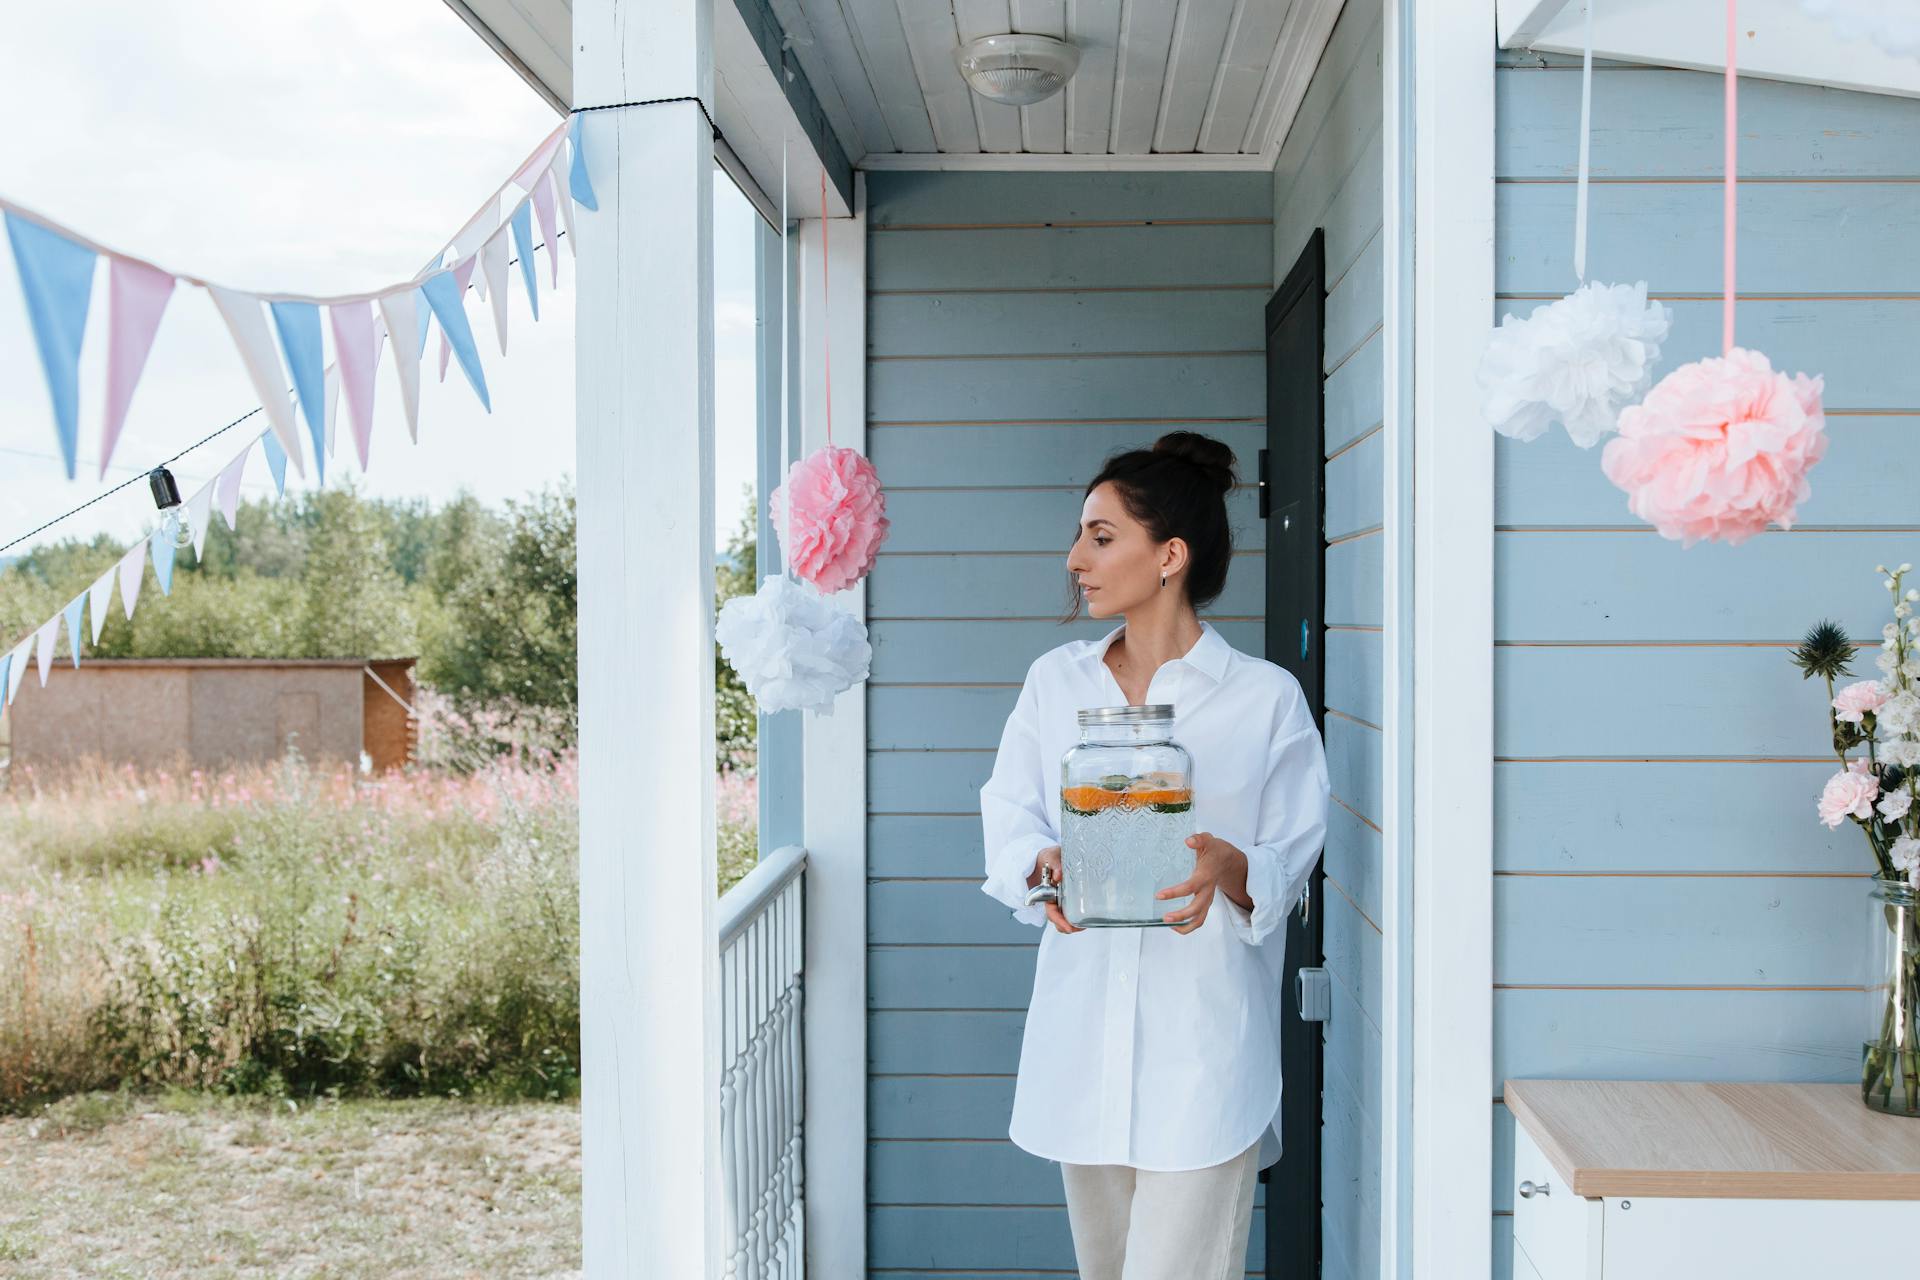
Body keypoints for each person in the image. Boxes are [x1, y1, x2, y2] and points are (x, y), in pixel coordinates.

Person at [978, 430, 1331, 1280]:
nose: (1075, 559)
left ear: (1169, 554)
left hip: (1203, 1048)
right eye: (1081, 536)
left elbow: (1294, 854)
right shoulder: (1055, 683)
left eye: (1101, 537)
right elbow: (1009, 814)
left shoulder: (1263, 699)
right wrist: (1042, 866)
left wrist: (1229, 868)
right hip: (1083, 1041)